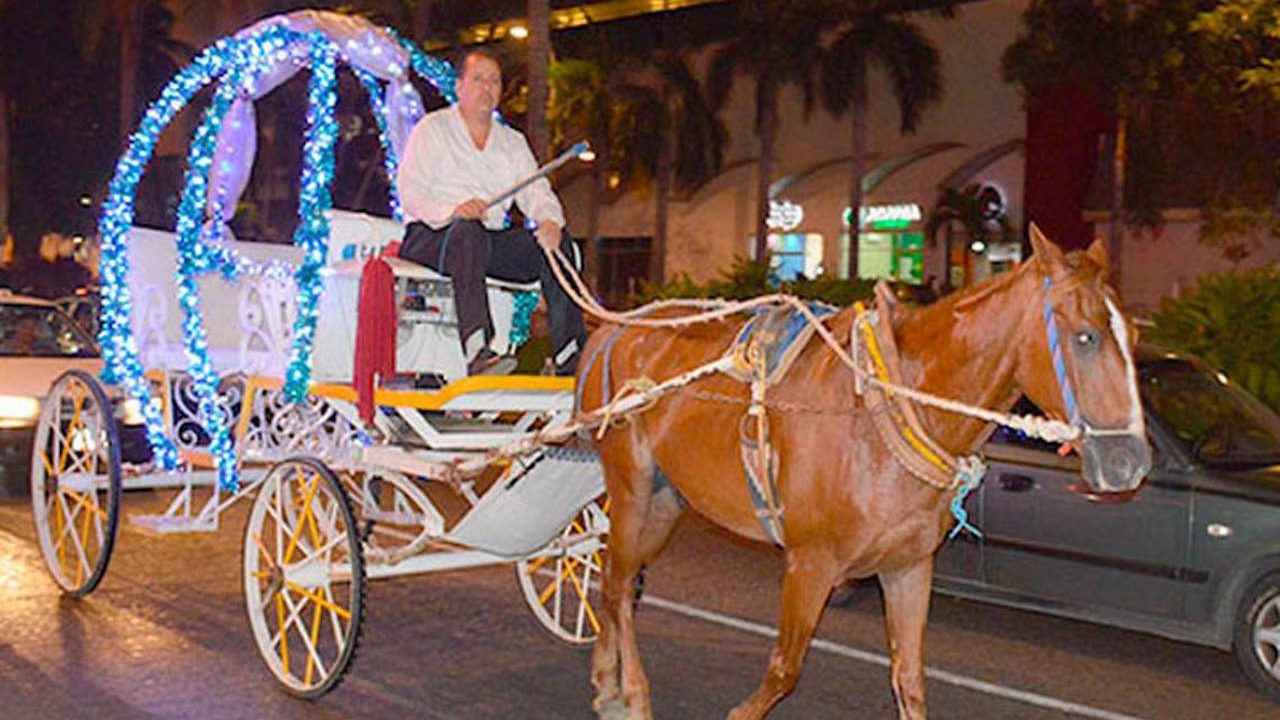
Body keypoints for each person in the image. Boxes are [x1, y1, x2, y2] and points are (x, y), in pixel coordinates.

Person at [396, 48, 587, 376]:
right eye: (478, 79)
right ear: (459, 86)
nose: (487, 87)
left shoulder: (513, 142)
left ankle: (570, 355)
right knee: (467, 232)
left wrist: (549, 222)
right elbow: (410, 193)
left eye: (494, 81)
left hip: (484, 241)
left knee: (558, 244)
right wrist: (453, 210)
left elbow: (536, 191)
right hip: (432, 236)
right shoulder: (432, 128)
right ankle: (477, 351)